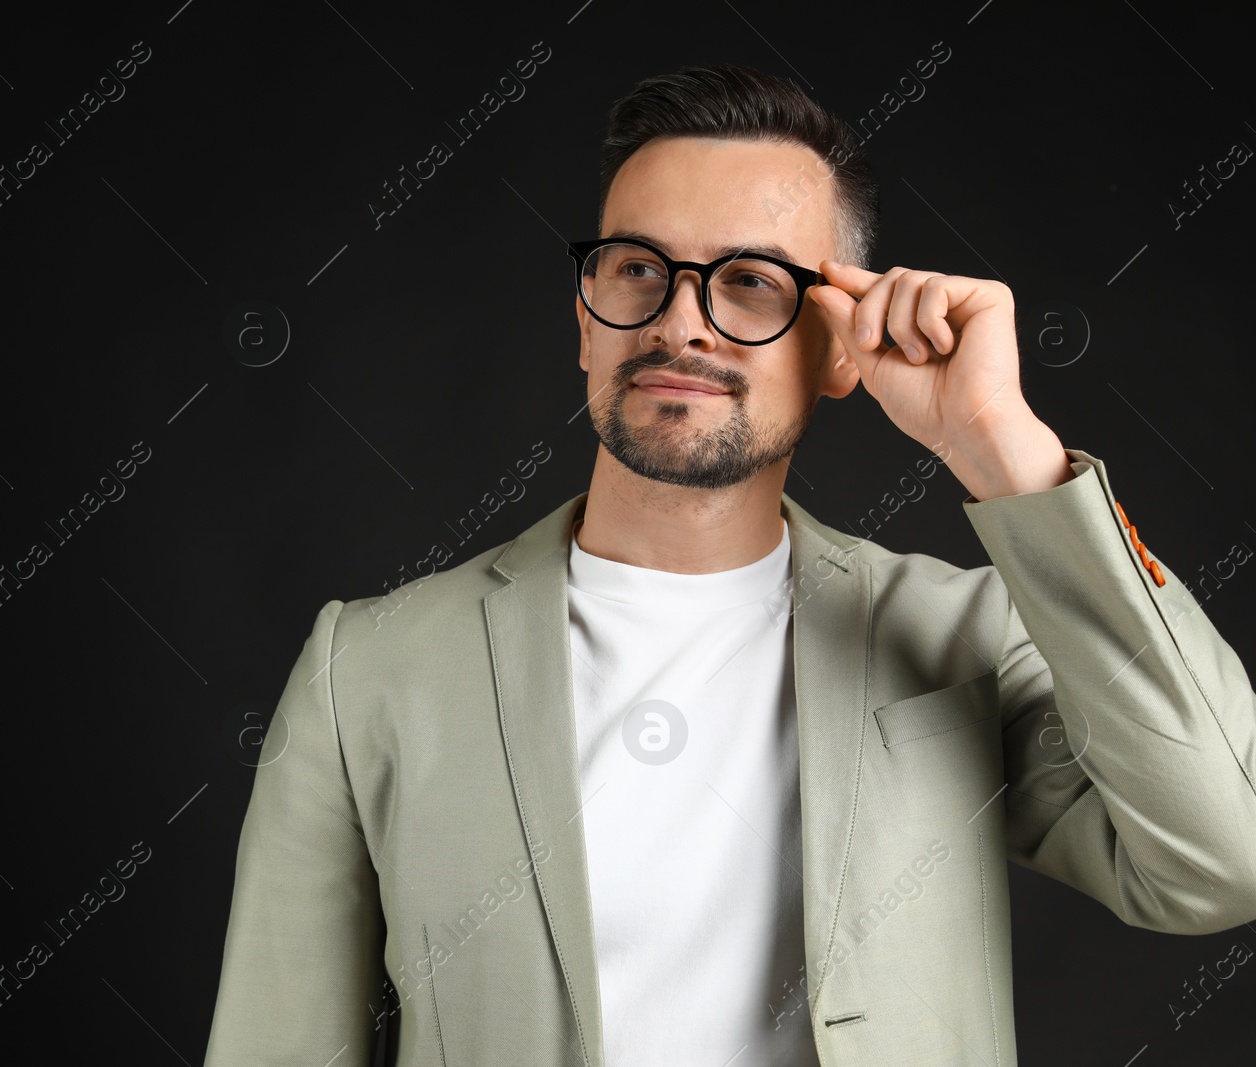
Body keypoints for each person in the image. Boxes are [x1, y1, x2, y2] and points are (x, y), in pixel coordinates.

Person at [200, 64, 1256, 1066]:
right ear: (584, 315)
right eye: (638, 270)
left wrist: (998, 443)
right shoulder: (367, 667)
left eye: (748, 282)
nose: (679, 323)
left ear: (841, 347)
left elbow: (1224, 855)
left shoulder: (963, 638)